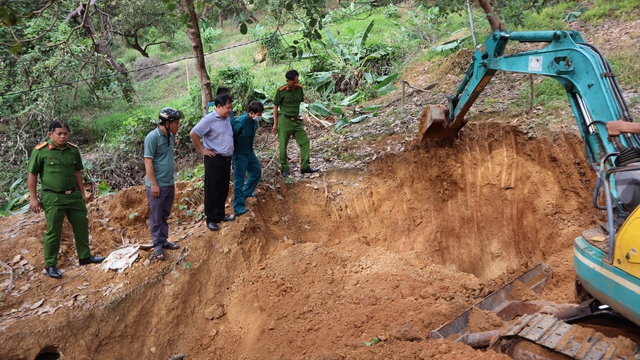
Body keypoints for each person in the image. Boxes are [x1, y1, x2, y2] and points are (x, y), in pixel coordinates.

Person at [27, 121, 105, 279]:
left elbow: (77, 172)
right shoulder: (41, 151)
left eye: (65, 133)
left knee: (81, 226)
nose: (63, 136)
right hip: (53, 197)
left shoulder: (73, 150)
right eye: (59, 134)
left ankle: (85, 257)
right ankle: (50, 264)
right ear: (50, 135)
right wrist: (33, 198)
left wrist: (83, 192)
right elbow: (32, 174)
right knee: (54, 231)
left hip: (74, 196)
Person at [190, 94, 236, 231]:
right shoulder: (209, 120)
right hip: (214, 159)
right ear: (219, 107)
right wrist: (202, 150)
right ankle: (211, 219)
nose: (230, 111)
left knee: (223, 188)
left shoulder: (226, 119)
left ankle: (220, 215)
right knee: (212, 189)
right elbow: (194, 133)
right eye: (227, 108)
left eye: (231, 108)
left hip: (226, 159)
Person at [144, 108, 183, 261]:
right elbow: (148, 160)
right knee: (156, 215)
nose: (178, 125)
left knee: (165, 214)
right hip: (157, 184)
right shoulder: (152, 137)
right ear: (167, 123)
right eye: (176, 123)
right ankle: (157, 245)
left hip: (169, 182)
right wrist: (153, 183)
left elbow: (161, 159)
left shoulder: (170, 137)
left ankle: (164, 240)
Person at [272, 69, 319, 177]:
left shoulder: (299, 89)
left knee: (305, 141)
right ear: (287, 81)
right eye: (294, 82)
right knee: (283, 145)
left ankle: (305, 167)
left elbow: (301, 101)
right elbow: (275, 106)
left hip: (296, 121)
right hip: (284, 120)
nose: (296, 84)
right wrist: (275, 122)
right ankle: (285, 169)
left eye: (297, 81)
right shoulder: (281, 91)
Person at [232, 101, 264, 216]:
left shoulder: (253, 122)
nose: (259, 117)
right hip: (239, 154)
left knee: (256, 172)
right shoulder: (239, 123)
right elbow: (231, 139)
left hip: (249, 152)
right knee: (239, 180)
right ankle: (238, 206)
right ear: (251, 113)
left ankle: (246, 193)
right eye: (258, 114)